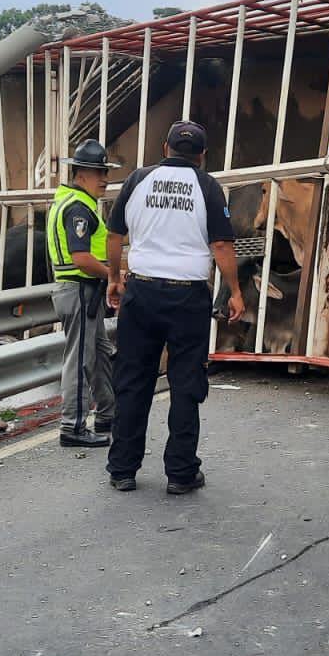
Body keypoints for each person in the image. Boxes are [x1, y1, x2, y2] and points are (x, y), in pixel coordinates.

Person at [104, 120, 244, 494]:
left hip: (142, 291)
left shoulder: (137, 180)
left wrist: (114, 278)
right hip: (188, 296)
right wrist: (234, 291)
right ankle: (181, 473)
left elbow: (115, 234)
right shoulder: (207, 186)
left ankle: (122, 469)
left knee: (133, 379)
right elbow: (221, 247)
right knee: (185, 381)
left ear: (165, 148)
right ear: (201, 156)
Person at [47, 139, 119, 448]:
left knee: (100, 353)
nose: (105, 178)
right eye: (98, 172)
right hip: (79, 290)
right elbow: (82, 259)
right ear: (80, 174)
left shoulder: (71, 201)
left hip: (81, 291)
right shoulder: (78, 208)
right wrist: (114, 275)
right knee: (80, 359)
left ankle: (107, 414)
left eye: (105, 171)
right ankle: (72, 426)